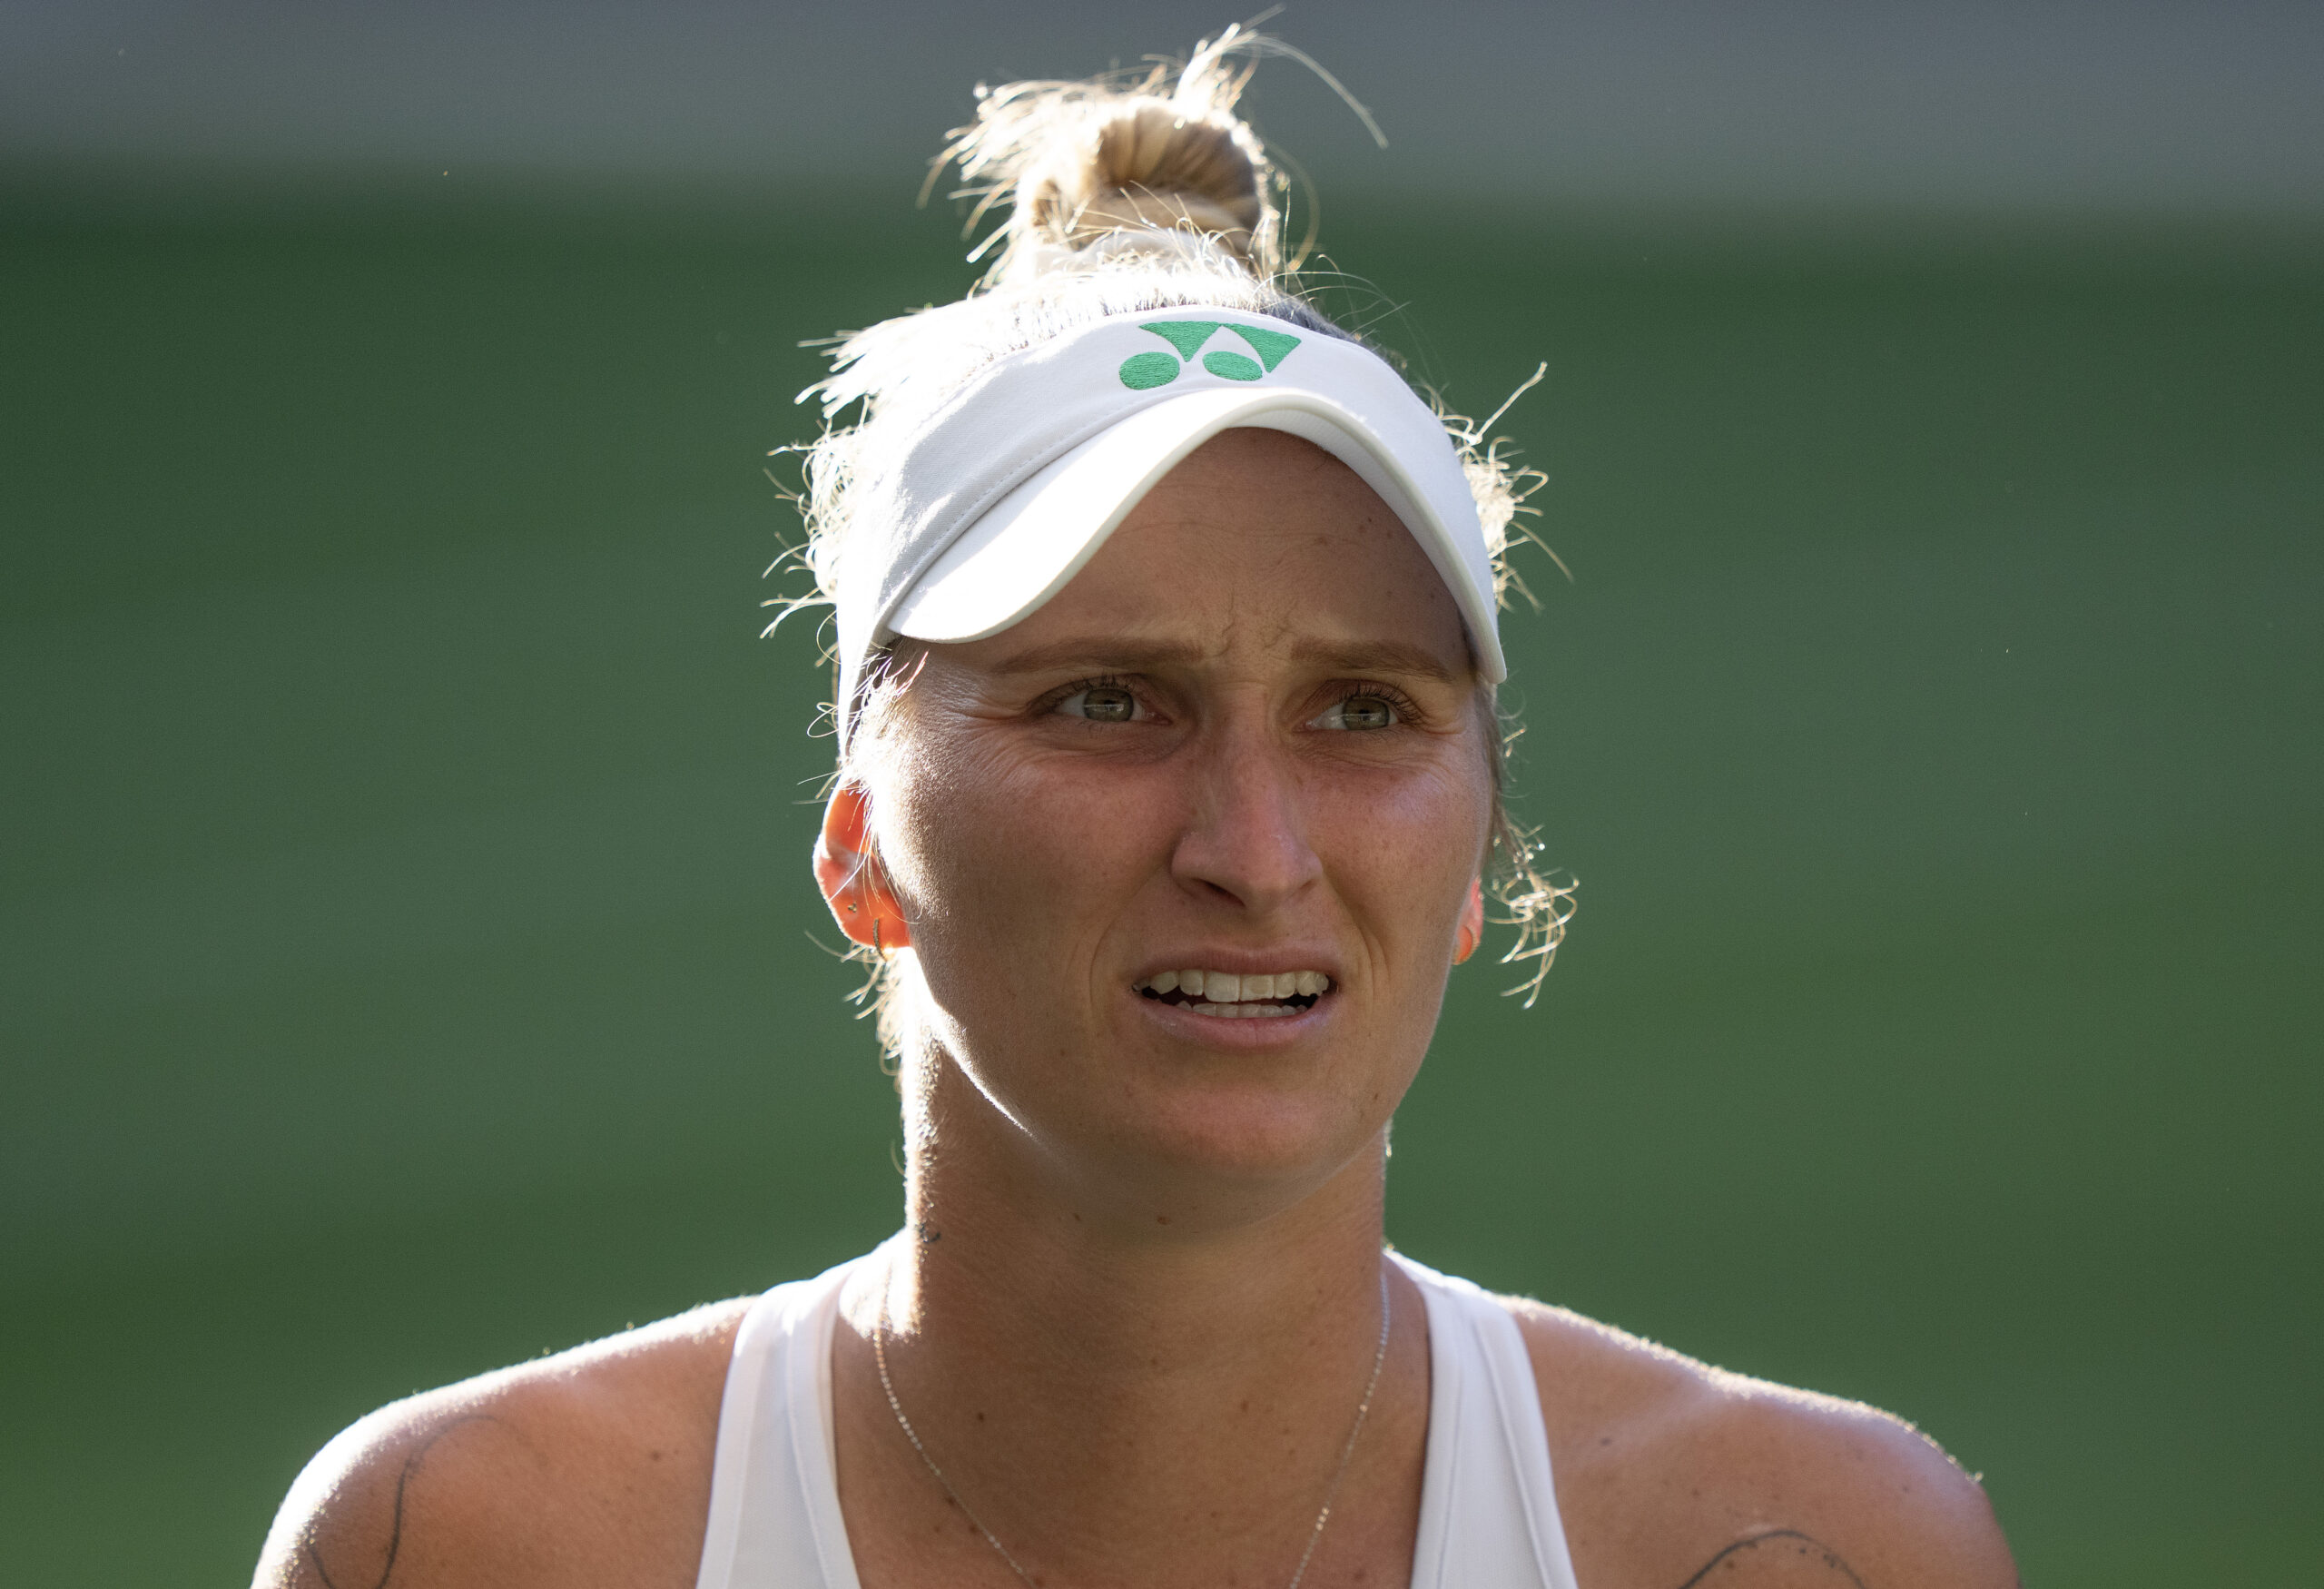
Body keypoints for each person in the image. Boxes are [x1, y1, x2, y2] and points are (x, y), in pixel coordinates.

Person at [255, 30, 2016, 1589]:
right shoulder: (485, 1543)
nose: (1252, 850)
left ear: (1480, 846)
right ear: (859, 836)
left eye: (1359, 710)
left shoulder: (1812, 1548)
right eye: (1105, 700)